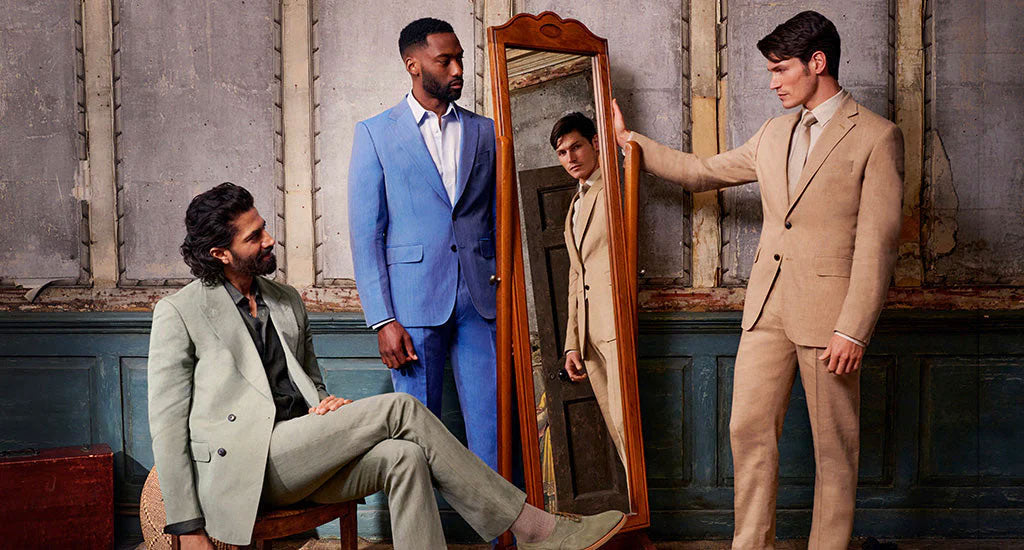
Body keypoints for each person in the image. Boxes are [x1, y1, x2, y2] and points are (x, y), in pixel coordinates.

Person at [147, 182, 626, 549]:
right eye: (255, 237)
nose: (270, 239)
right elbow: (167, 428)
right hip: (247, 467)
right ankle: (534, 529)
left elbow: (309, 381)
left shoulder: (285, 299)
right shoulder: (179, 312)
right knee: (401, 408)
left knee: (405, 458)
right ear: (220, 253)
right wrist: (188, 527)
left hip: (303, 448)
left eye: (264, 227)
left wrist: (324, 405)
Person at [612, 11, 904, 550]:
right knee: (746, 430)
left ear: (817, 63)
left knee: (834, 450)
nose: (772, 83)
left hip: (831, 318)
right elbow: (702, 172)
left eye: (780, 69)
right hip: (766, 309)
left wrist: (854, 329)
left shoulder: (877, 136)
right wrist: (630, 141)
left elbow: (879, 244)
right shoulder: (774, 132)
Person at [348, 17, 499, 469]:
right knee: (418, 435)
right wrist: (383, 320)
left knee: (493, 430)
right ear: (413, 64)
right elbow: (366, 235)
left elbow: (499, 219)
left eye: (460, 59)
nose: (458, 70)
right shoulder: (375, 132)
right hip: (412, 305)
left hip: (482, 301)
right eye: (445, 60)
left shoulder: (485, 131)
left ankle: (499, 518)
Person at [550, 112, 627, 468]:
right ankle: (637, 499)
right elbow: (575, 276)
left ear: (596, 143)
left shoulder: (614, 186)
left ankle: (644, 501)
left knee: (628, 426)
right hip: (589, 339)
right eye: (562, 153)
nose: (570, 158)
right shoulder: (575, 203)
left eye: (576, 147)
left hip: (615, 326)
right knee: (616, 429)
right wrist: (571, 343)